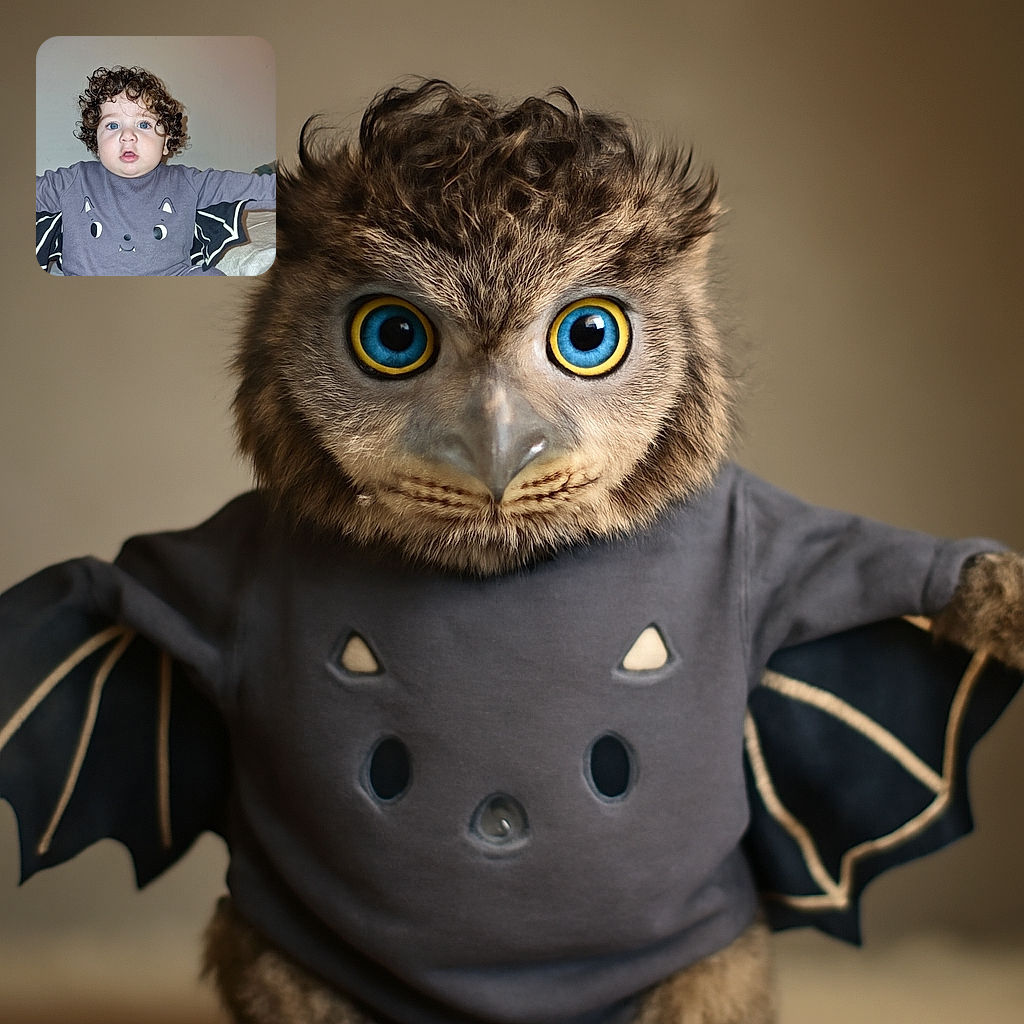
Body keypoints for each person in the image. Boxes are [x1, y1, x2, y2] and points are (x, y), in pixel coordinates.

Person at [36, 65, 276, 276]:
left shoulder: (188, 182)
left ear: (166, 141)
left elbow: (260, 189)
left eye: (143, 124)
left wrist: (308, 188)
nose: (127, 136)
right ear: (95, 140)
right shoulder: (72, 181)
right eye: (112, 124)